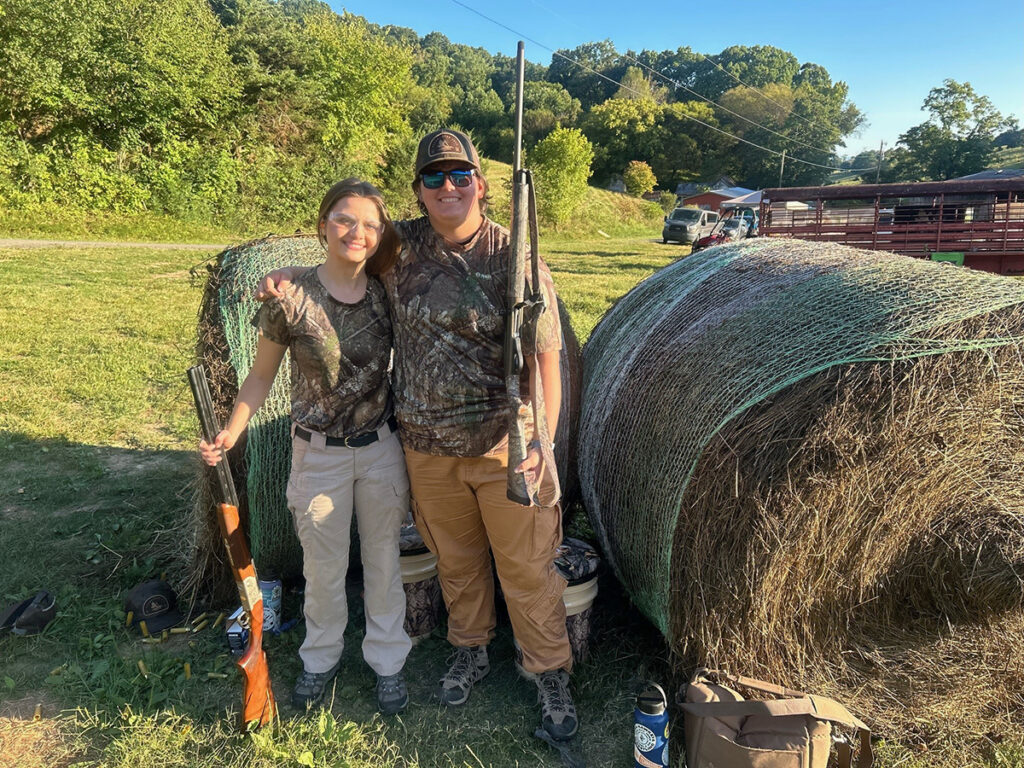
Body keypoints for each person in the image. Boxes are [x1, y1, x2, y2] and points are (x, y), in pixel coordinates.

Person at [259, 129, 578, 740]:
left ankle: (549, 669)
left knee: (528, 567)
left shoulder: (518, 257)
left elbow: (547, 360)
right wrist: (283, 277)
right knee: (456, 562)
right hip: (424, 447)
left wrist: (542, 441)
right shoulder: (399, 245)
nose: (448, 186)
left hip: (502, 444)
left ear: (481, 185)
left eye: (460, 175)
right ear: (420, 191)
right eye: (434, 177)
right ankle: (471, 647)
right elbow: (343, 255)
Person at [200, 178, 412, 715]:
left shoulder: (389, 288)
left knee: (384, 562)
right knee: (323, 567)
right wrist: (232, 431)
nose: (356, 232)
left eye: (369, 223)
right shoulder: (287, 300)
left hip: (382, 448)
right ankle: (320, 658)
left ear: (380, 233)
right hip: (318, 455)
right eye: (344, 219)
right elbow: (260, 377)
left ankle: (388, 662)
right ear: (322, 225)